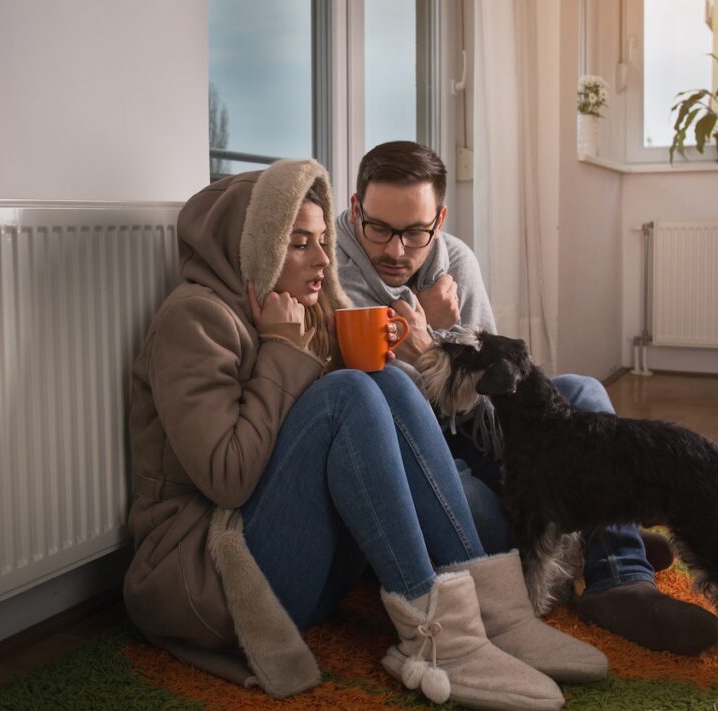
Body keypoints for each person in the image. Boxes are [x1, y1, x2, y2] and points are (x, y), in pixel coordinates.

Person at [122, 159, 608, 711]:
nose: (324, 259)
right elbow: (229, 481)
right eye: (299, 243)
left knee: (383, 380)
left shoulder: (308, 309)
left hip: (302, 564)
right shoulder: (195, 319)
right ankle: (436, 639)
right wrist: (281, 351)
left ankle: (496, 616)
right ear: (250, 247)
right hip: (214, 576)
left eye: (323, 240)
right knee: (350, 392)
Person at [334, 141, 718, 656]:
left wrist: (438, 345)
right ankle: (591, 535)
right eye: (379, 228)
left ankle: (618, 576)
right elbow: (368, 412)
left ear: (440, 219)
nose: (395, 250)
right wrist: (422, 331)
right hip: (419, 462)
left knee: (582, 391)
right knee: (488, 520)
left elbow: (496, 404)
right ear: (357, 207)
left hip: (474, 432)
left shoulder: (458, 264)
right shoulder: (333, 275)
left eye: (415, 233)